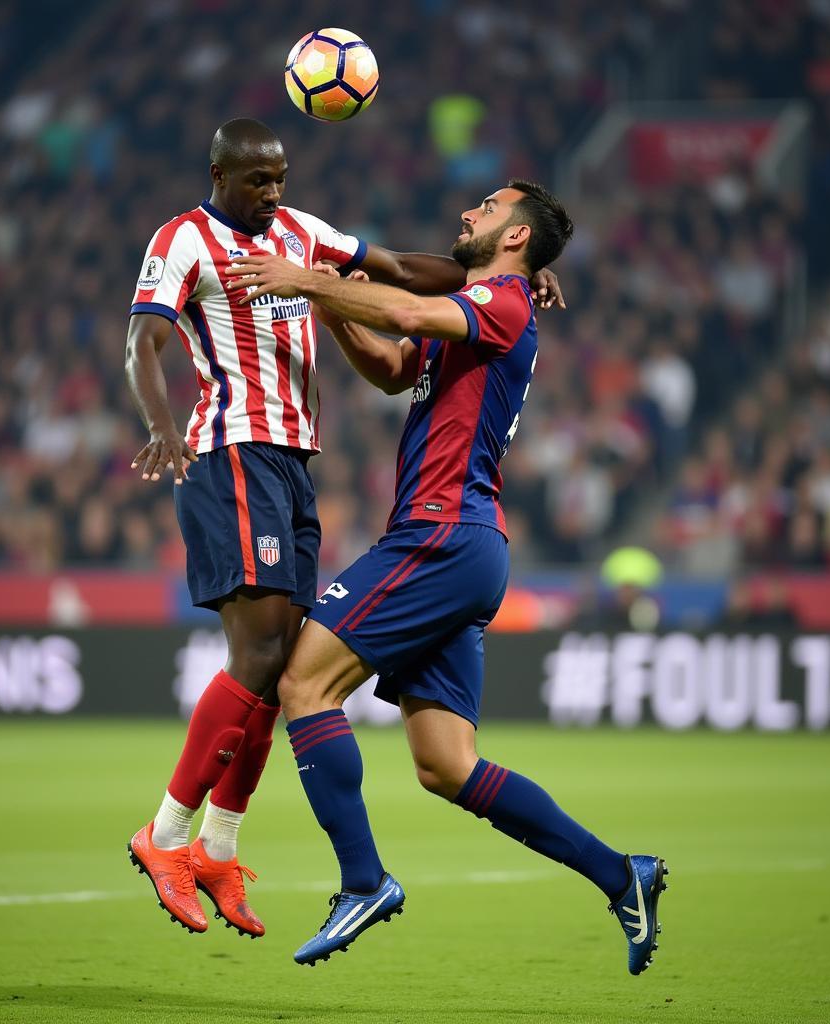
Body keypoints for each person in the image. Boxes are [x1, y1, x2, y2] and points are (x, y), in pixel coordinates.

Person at [123, 118, 565, 939]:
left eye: (282, 179)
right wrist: (160, 423)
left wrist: (515, 279)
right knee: (262, 659)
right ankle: (168, 834)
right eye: (259, 181)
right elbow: (141, 342)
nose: (274, 194)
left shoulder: (301, 235)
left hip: (293, 462)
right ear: (220, 173)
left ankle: (218, 843)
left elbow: (403, 270)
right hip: (234, 447)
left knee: (283, 661)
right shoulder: (181, 239)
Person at [225, 179, 667, 974]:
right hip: (462, 544)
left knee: (303, 686)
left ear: (515, 238)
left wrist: (308, 280)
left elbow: (401, 312)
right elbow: (396, 365)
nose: (467, 211)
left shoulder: (503, 301)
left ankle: (363, 881)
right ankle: (620, 874)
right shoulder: (485, 305)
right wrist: (334, 307)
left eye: (488, 208)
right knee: (444, 765)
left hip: (441, 534)